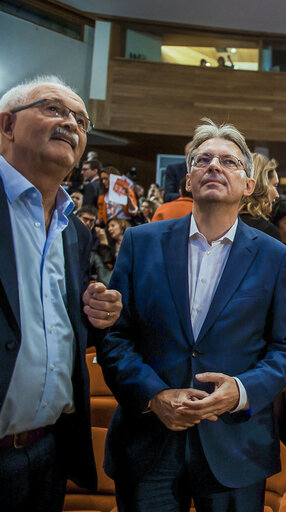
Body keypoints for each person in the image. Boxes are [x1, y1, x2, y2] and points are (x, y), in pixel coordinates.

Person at [97, 119, 286, 511]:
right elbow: (114, 335)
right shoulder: (141, 243)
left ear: (248, 186)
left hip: (235, 443)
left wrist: (240, 391)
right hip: (148, 441)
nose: (215, 166)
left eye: (229, 161)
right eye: (204, 159)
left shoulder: (275, 257)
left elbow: (283, 348)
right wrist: (154, 395)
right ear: (188, 181)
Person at [0, 75, 122, 511]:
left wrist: (95, 316)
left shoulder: (74, 231)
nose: (70, 123)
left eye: (80, 119)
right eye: (53, 109)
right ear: (7, 125)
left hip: (47, 450)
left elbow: (51, 329)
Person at [238, 153, 281, 240]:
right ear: (262, 185)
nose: (277, 195)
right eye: (275, 185)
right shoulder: (268, 232)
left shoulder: (224, 225)